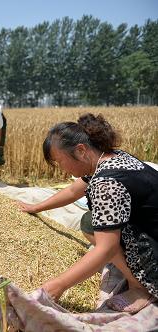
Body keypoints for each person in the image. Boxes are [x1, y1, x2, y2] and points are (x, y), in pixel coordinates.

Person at [17, 113, 158, 314]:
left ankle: (141, 288)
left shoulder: (106, 184)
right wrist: (36, 207)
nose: (62, 170)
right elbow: (75, 190)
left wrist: (55, 287)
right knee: (90, 222)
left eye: (60, 162)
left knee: (102, 233)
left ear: (81, 150)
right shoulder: (112, 158)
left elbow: (106, 250)